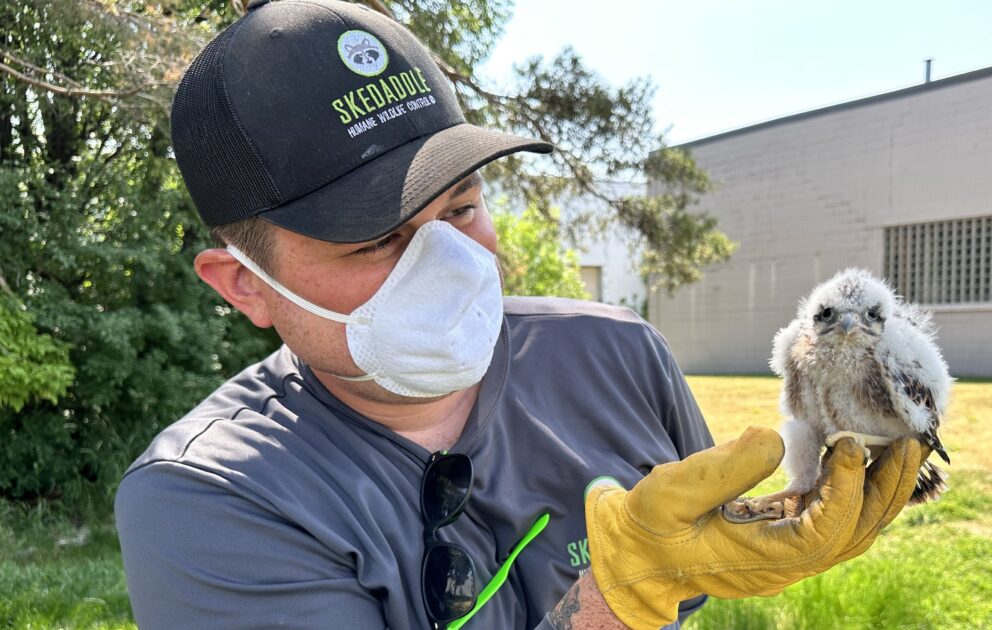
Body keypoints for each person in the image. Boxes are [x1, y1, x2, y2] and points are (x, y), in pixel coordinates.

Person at [114, 1, 930, 628]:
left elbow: (705, 565)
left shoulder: (619, 356)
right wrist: (614, 598)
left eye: (463, 209)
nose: (452, 269)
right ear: (243, 285)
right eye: (376, 240)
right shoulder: (211, 500)